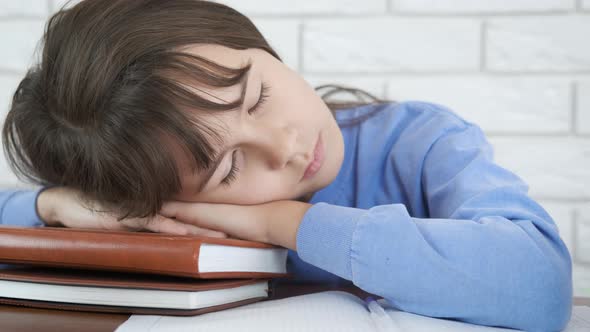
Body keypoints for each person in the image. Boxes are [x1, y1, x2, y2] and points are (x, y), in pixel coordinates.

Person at [0, 0, 572, 330]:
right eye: (228, 169)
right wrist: (55, 204)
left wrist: (282, 223)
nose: (288, 147)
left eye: (259, 97)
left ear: (255, 44)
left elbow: (541, 284)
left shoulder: (419, 142)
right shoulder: (152, 191)